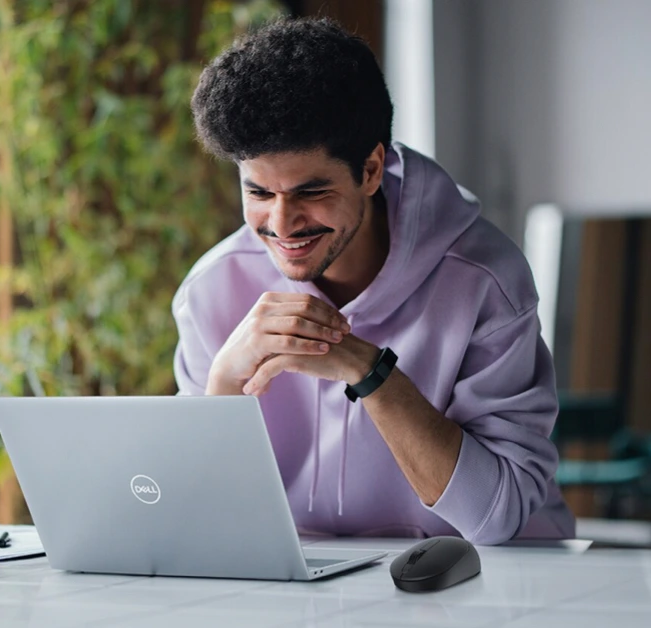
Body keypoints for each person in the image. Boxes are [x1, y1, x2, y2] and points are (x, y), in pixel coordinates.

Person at [172, 17, 574, 544]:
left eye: (311, 192)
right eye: (260, 194)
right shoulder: (212, 289)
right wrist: (223, 385)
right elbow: (192, 524)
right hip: (312, 595)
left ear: (370, 169)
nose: (282, 223)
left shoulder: (484, 279)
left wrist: (370, 371)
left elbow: (496, 517)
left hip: (485, 586)